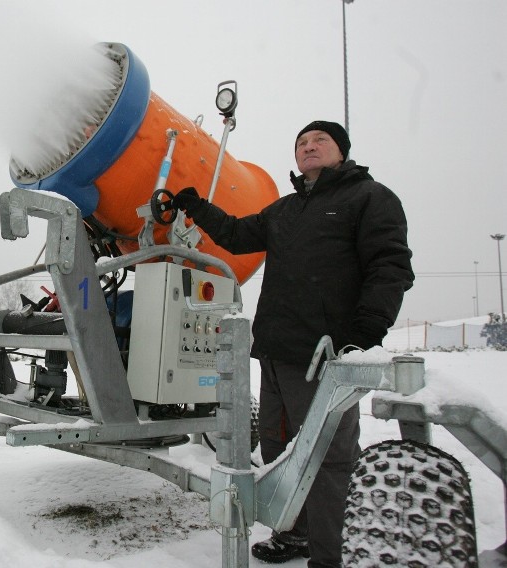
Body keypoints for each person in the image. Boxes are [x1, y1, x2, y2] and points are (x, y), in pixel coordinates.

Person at [172, 121, 414, 567]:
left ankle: (330, 556)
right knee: (281, 451)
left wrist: (364, 336)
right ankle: (297, 535)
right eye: (302, 142)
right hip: (277, 354)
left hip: (328, 356)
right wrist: (198, 208)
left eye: (320, 140)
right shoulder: (284, 210)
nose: (309, 147)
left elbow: (390, 266)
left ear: (341, 151)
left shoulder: (369, 198)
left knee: (328, 458)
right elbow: (237, 234)